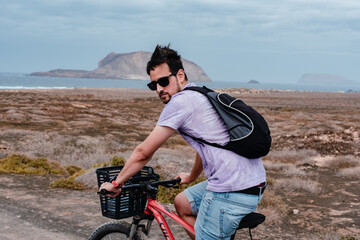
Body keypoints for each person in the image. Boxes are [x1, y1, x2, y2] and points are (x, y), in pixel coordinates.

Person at [99, 44, 267, 240]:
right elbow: (205, 145)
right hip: (252, 182)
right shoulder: (199, 92)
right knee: (182, 202)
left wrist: (116, 182)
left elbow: (143, 152)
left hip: (231, 190)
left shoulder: (180, 102)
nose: (160, 89)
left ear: (179, 75)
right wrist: (191, 176)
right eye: (154, 85)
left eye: (163, 81)